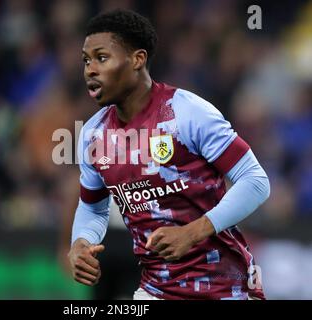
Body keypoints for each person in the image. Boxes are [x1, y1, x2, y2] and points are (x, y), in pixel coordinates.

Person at [68, 9, 270, 300]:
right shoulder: (92, 135)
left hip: (225, 287)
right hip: (155, 291)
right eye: (86, 61)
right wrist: (80, 243)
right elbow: (92, 207)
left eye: (102, 58)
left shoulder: (186, 112)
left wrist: (192, 232)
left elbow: (256, 181)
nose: (90, 69)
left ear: (138, 59)